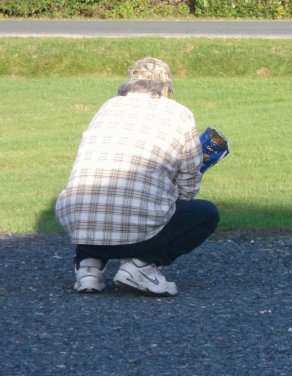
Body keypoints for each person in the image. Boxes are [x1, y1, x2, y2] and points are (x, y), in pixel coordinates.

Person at [56, 57, 219, 297]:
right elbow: (188, 179)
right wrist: (176, 199)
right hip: (139, 231)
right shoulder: (179, 113)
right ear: (165, 88)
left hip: (79, 221)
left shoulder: (108, 106)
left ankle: (88, 269)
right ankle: (141, 266)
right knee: (205, 214)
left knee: (98, 194)